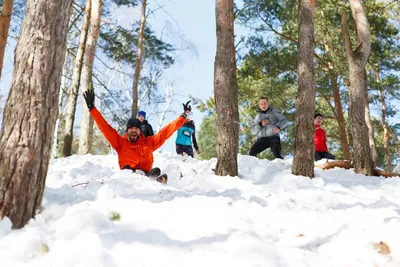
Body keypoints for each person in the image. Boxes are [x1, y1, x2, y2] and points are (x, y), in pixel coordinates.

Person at [83, 89, 192, 184]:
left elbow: (166, 131)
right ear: (128, 130)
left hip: (145, 174)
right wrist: (92, 108)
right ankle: (141, 178)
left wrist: (183, 116)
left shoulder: (149, 143)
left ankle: (153, 181)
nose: (133, 131)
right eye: (131, 128)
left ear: (140, 131)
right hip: (128, 175)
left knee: (156, 170)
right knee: (127, 170)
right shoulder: (120, 143)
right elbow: (105, 127)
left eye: (136, 128)